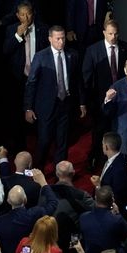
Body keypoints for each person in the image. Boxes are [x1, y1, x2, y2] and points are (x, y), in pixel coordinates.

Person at [24, 26, 87, 168]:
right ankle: (37, 171)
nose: (61, 41)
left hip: (65, 105)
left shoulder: (73, 55)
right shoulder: (41, 56)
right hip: (46, 107)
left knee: (63, 142)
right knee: (44, 141)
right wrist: (28, 107)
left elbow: (78, 81)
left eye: (63, 38)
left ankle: (61, 176)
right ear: (50, 39)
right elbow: (31, 83)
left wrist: (82, 103)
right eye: (57, 38)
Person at [81, 20, 127, 166]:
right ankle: (98, 161)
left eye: (116, 33)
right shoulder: (93, 50)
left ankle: (120, 162)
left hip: (123, 100)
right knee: (100, 132)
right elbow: (86, 78)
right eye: (110, 33)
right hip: (100, 101)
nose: (113, 37)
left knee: (120, 131)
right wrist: (87, 102)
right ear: (104, 32)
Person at [0, 169, 58, 253]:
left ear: (8, 201)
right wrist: (43, 183)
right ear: (25, 199)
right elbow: (53, 203)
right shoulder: (35, 214)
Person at [90, 132, 127, 208]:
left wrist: (98, 185)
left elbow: (116, 195)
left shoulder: (120, 169)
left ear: (106, 147)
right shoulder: (113, 159)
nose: (102, 146)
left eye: (102, 144)